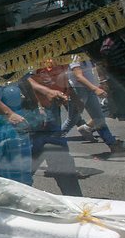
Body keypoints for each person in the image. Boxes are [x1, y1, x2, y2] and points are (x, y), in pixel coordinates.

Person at [24, 59, 83, 196]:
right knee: (27, 164)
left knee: (60, 158)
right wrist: (45, 94)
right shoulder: (31, 51)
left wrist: (73, 96)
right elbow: (23, 79)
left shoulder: (57, 51)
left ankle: (77, 202)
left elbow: (61, 78)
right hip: (34, 113)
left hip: (52, 111)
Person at [61, 58, 125, 156]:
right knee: (72, 120)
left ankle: (113, 145)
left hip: (88, 89)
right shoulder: (74, 56)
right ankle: (52, 142)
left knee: (99, 118)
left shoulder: (83, 55)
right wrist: (95, 89)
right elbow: (78, 76)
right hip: (79, 90)